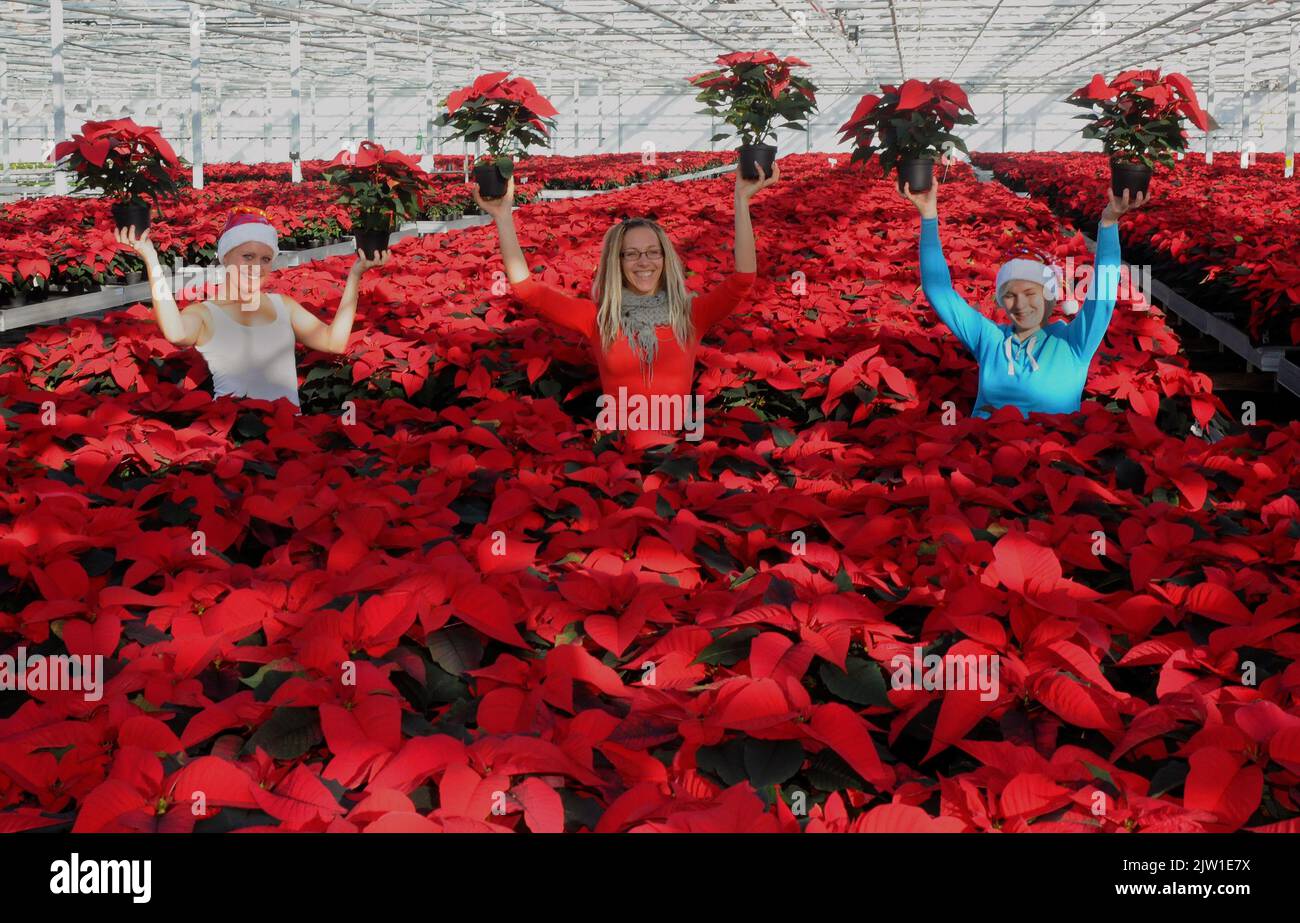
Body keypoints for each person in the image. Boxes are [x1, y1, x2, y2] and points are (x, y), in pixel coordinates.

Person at [475, 164, 778, 450]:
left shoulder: (689, 315)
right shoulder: (600, 317)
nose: (643, 262)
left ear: (664, 259)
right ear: (616, 263)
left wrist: (741, 199)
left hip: (672, 455)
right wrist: (503, 216)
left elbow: (742, 280)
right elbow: (528, 290)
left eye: (651, 253)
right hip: (615, 455)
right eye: (630, 254)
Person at [902, 178, 1146, 418]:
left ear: (1049, 298)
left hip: (1050, 453)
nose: (1020, 304)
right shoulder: (989, 339)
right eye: (1009, 295)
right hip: (985, 450)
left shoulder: (1074, 343)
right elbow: (937, 290)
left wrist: (1109, 223)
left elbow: (1103, 293)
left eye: (1030, 294)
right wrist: (928, 216)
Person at [115, 207, 388, 410]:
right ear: (226, 257)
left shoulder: (284, 307)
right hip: (237, 436)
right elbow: (175, 333)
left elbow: (334, 342)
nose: (256, 267)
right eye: (247, 256)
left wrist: (355, 276)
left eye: (265, 259)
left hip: (288, 437)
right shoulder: (204, 314)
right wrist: (151, 258)